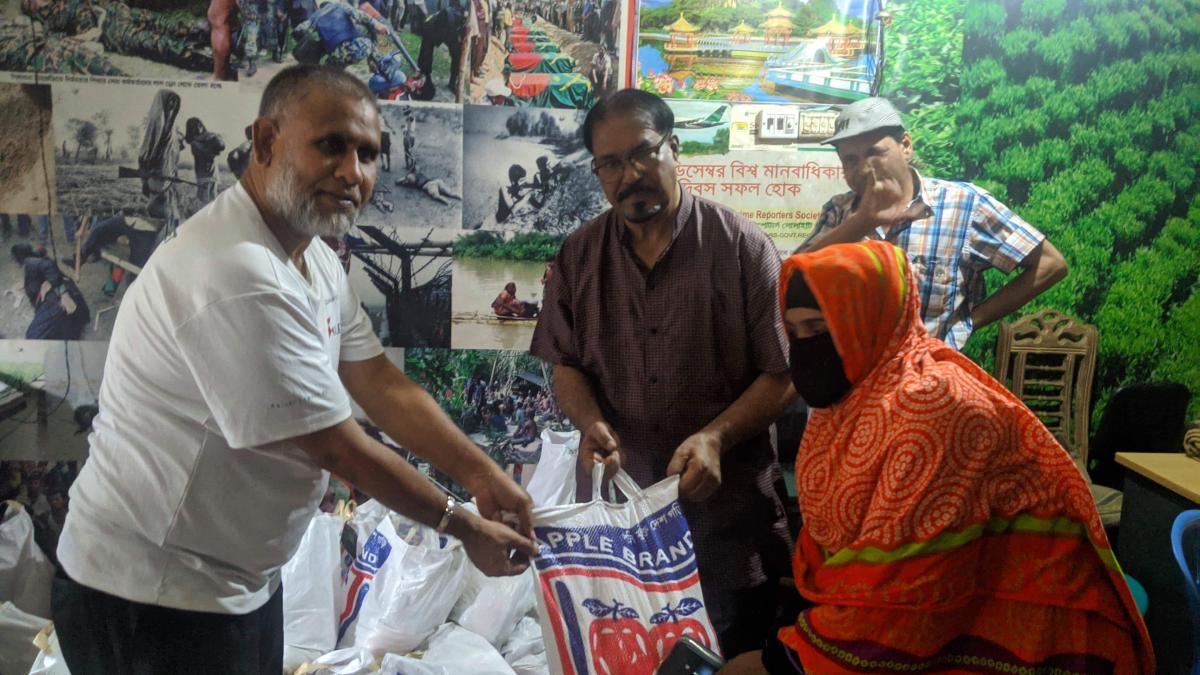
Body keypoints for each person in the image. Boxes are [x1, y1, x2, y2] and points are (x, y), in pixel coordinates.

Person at [51, 65, 537, 674]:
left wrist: (483, 473)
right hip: (150, 594)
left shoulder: (311, 257)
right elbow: (338, 448)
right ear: (265, 143)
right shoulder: (236, 270)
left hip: (235, 583)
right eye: (331, 145)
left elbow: (380, 383)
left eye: (368, 154)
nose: (353, 173)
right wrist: (462, 526)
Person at [718, 240, 1153, 675]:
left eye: (819, 328)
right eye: (795, 333)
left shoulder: (933, 408)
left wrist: (780, 662)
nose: (806, 348)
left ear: (868, 320)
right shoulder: (851, 402)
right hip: (943, 617)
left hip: (1029, 637)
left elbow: (907, 596)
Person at [531, 88, 793, 659]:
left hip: (724, 533)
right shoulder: (579, 255)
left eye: (642, 154)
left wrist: (716, 437)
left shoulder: (742, 247)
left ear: (674, 147)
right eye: (610, 163)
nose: (629, 176)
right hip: (619, 539)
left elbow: (782, 375)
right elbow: (566, 364)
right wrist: (591, 422)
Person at [798, 97, 1067, 350]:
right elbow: (794, 280)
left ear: (905, 146)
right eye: (850, 160)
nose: (864, 168)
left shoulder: (965, 204)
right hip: (848, 379)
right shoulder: (839, 211)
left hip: (927, 377)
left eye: (874, 152)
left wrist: (968, 323)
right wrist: (861, 222)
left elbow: (1050, 264)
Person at [11, 243, 90, 340]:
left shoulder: (31, 262)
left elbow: (49, 267)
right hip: (59, 297)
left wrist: (63, 294)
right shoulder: (35, 262)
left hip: (58, 299)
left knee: (33, 336)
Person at [292, 0, 390, 68]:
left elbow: (298, 30)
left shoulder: (315, 17)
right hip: (358, 48)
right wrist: (378, 25)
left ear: (319, 8)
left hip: (337, 56)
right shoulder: (341, 6)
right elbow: (361, 15)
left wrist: (307, 40)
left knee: (329, 72)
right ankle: (374, 62)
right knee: (370, 34)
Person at [184, 117, 226, 206]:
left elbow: (210, 152)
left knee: (205, 202)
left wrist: (197, 142)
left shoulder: (201, 140)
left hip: (205, 176)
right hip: (208, 175)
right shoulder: (207, 137)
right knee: (210, 201)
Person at [395, 167, 461, 205]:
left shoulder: (410, 176)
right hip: (436, 180)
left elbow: (398, 181)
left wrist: (404, 179)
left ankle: (449, 202)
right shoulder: (419, 173)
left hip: (429, 185)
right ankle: (459, 197)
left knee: (437, 196)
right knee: (450, 193)